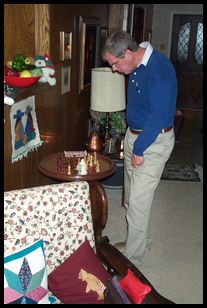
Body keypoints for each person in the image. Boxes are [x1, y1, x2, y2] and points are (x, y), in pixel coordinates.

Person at [101, 31, 177, 267]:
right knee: (131, 200)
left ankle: (130, 263)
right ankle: (142, 239)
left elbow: (158, 118)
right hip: (135, 137)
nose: (114, 70)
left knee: (137, 203)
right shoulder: (136, 63)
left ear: (127, 54)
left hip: (152, 142)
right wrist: (129, 137)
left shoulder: (160, 70)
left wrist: (139, 149)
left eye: (114, 64)